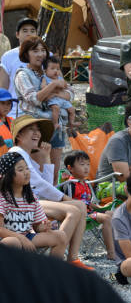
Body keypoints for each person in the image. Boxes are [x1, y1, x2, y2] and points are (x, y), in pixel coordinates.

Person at [8, 114, 90, 270]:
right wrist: (65, 198)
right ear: (19, 135)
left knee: (79, 206)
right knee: (73, 210)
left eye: (38, 130)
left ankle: (72, 258)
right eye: (31, 129)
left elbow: (46, 184)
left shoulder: (26, 155)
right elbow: (38, 185)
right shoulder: (16, 152)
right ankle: (56, 263)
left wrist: (46, 158)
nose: (37, 133)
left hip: (33, 201)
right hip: (22, 204)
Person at [14, 35, 73, 183]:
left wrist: (52, 92)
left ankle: (56, 202)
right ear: (26, 54)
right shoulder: (22, 75)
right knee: (40, 173)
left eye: (43, 50)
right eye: (35, 51)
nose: (40, 54)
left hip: (57, 127)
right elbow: (34, 99)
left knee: (54, 174)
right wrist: (54, 86)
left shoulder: (52, 70)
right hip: (36, 127)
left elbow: (70, 94)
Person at [0, 151, 68, 258]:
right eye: (20, 170)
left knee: (60, 236)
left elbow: (37, 226)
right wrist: (21, 239)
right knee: (13, 242)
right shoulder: (2, 197)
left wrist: (44, 227)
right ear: (8, 174)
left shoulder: (30, 197)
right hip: (6, 239)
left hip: (28, 236)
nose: (26, 172)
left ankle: (54, 271)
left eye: (27, 168)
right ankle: (10, 273)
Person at [62, 150, 116, 260]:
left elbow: (88, 202)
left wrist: (101, 208)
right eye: (82, 165)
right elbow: (65, 203)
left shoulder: (85, 183)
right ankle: (111, 252)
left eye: (88, 164)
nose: (86, 168)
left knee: (112, 213)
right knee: (106, 218)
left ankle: (118, 247)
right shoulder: (70, 185)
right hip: (81, 216)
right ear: (70, 168)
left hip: (90, 212)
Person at [0, 17, 39, 112]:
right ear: (17, 34)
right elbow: (2, 87)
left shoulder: (45, 55)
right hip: (14, 110)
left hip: (40, 110)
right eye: (25, 30)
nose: (29, 33)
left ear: (37, 34)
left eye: (32, 31)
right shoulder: (8, 56)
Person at [41, 55, 77, 130]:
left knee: (72, 109)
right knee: (56, 108)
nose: (55, 71)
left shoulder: (60, 78)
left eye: (57, 69)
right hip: (53, 99)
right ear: (45, 70)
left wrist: (63, 85)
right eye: (52, 68)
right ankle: (55, 123)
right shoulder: (45, 78)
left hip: (62, 99)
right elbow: (43, 88)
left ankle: (72, 122)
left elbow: (66, 87)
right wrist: (53, 86)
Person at [0, 89, 15, 154]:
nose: (6, 107)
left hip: (13, 158)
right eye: (3, 103)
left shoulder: (13, 121)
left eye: (9, 103)